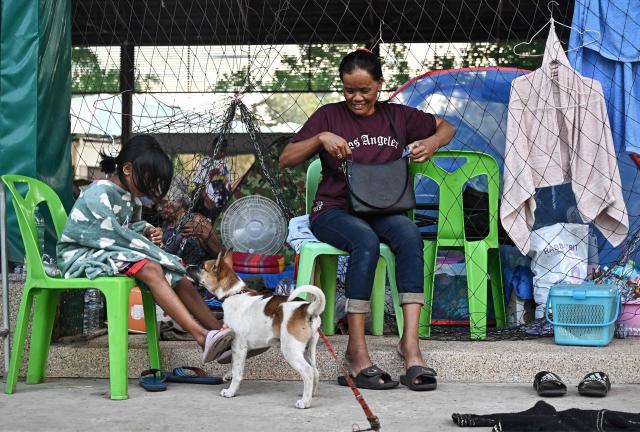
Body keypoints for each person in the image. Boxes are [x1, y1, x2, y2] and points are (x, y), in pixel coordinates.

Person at [279, 49, 455, 390]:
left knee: (408, 235)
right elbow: (286, 158)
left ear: (380, 86)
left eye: (365, 90)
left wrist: (432, 142)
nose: (357, 98)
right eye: (349, 90)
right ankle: (356, 352)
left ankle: (411, 347)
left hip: (384, 209)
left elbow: (446, 127)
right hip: (333, 211)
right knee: (365, 242)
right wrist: (319, 138)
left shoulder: (398, 116)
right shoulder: (328, 116)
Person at [56, 135, 234, 363]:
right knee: (152, 268)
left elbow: (130, 229)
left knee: (176, 274)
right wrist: (156, 252)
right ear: (128, 169)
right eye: (149, 179)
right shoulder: (97, 193)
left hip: (110, 251)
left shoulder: (130, 198)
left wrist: (149, 230)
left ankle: (221, 333)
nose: (152, 188)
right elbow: (115, 235)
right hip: (82, 256)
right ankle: (202, 337)